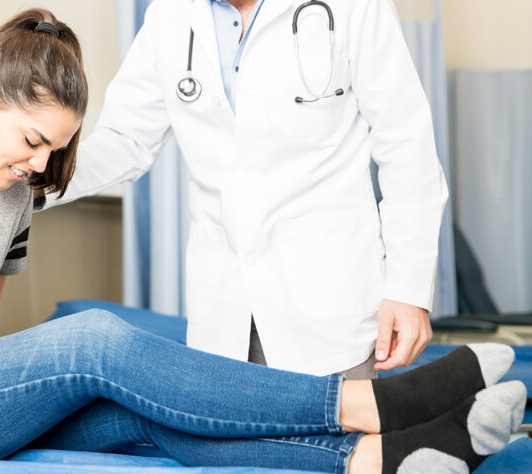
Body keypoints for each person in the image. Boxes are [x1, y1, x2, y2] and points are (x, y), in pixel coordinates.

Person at [0, 8, 523, 474]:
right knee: (92, 340)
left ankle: (373, 458)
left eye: (52, 153)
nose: (40, 167)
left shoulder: (14, 197)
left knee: (141, 416)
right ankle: (373, 405)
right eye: (32, 144)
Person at [42, 0, 449, 378]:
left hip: (329, 309)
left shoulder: (355, 6)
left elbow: (406, 146)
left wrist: (408, 290)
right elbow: (125, 140)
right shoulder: (170, 13)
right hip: (224, 312)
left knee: (342, 432)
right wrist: (32, 174)